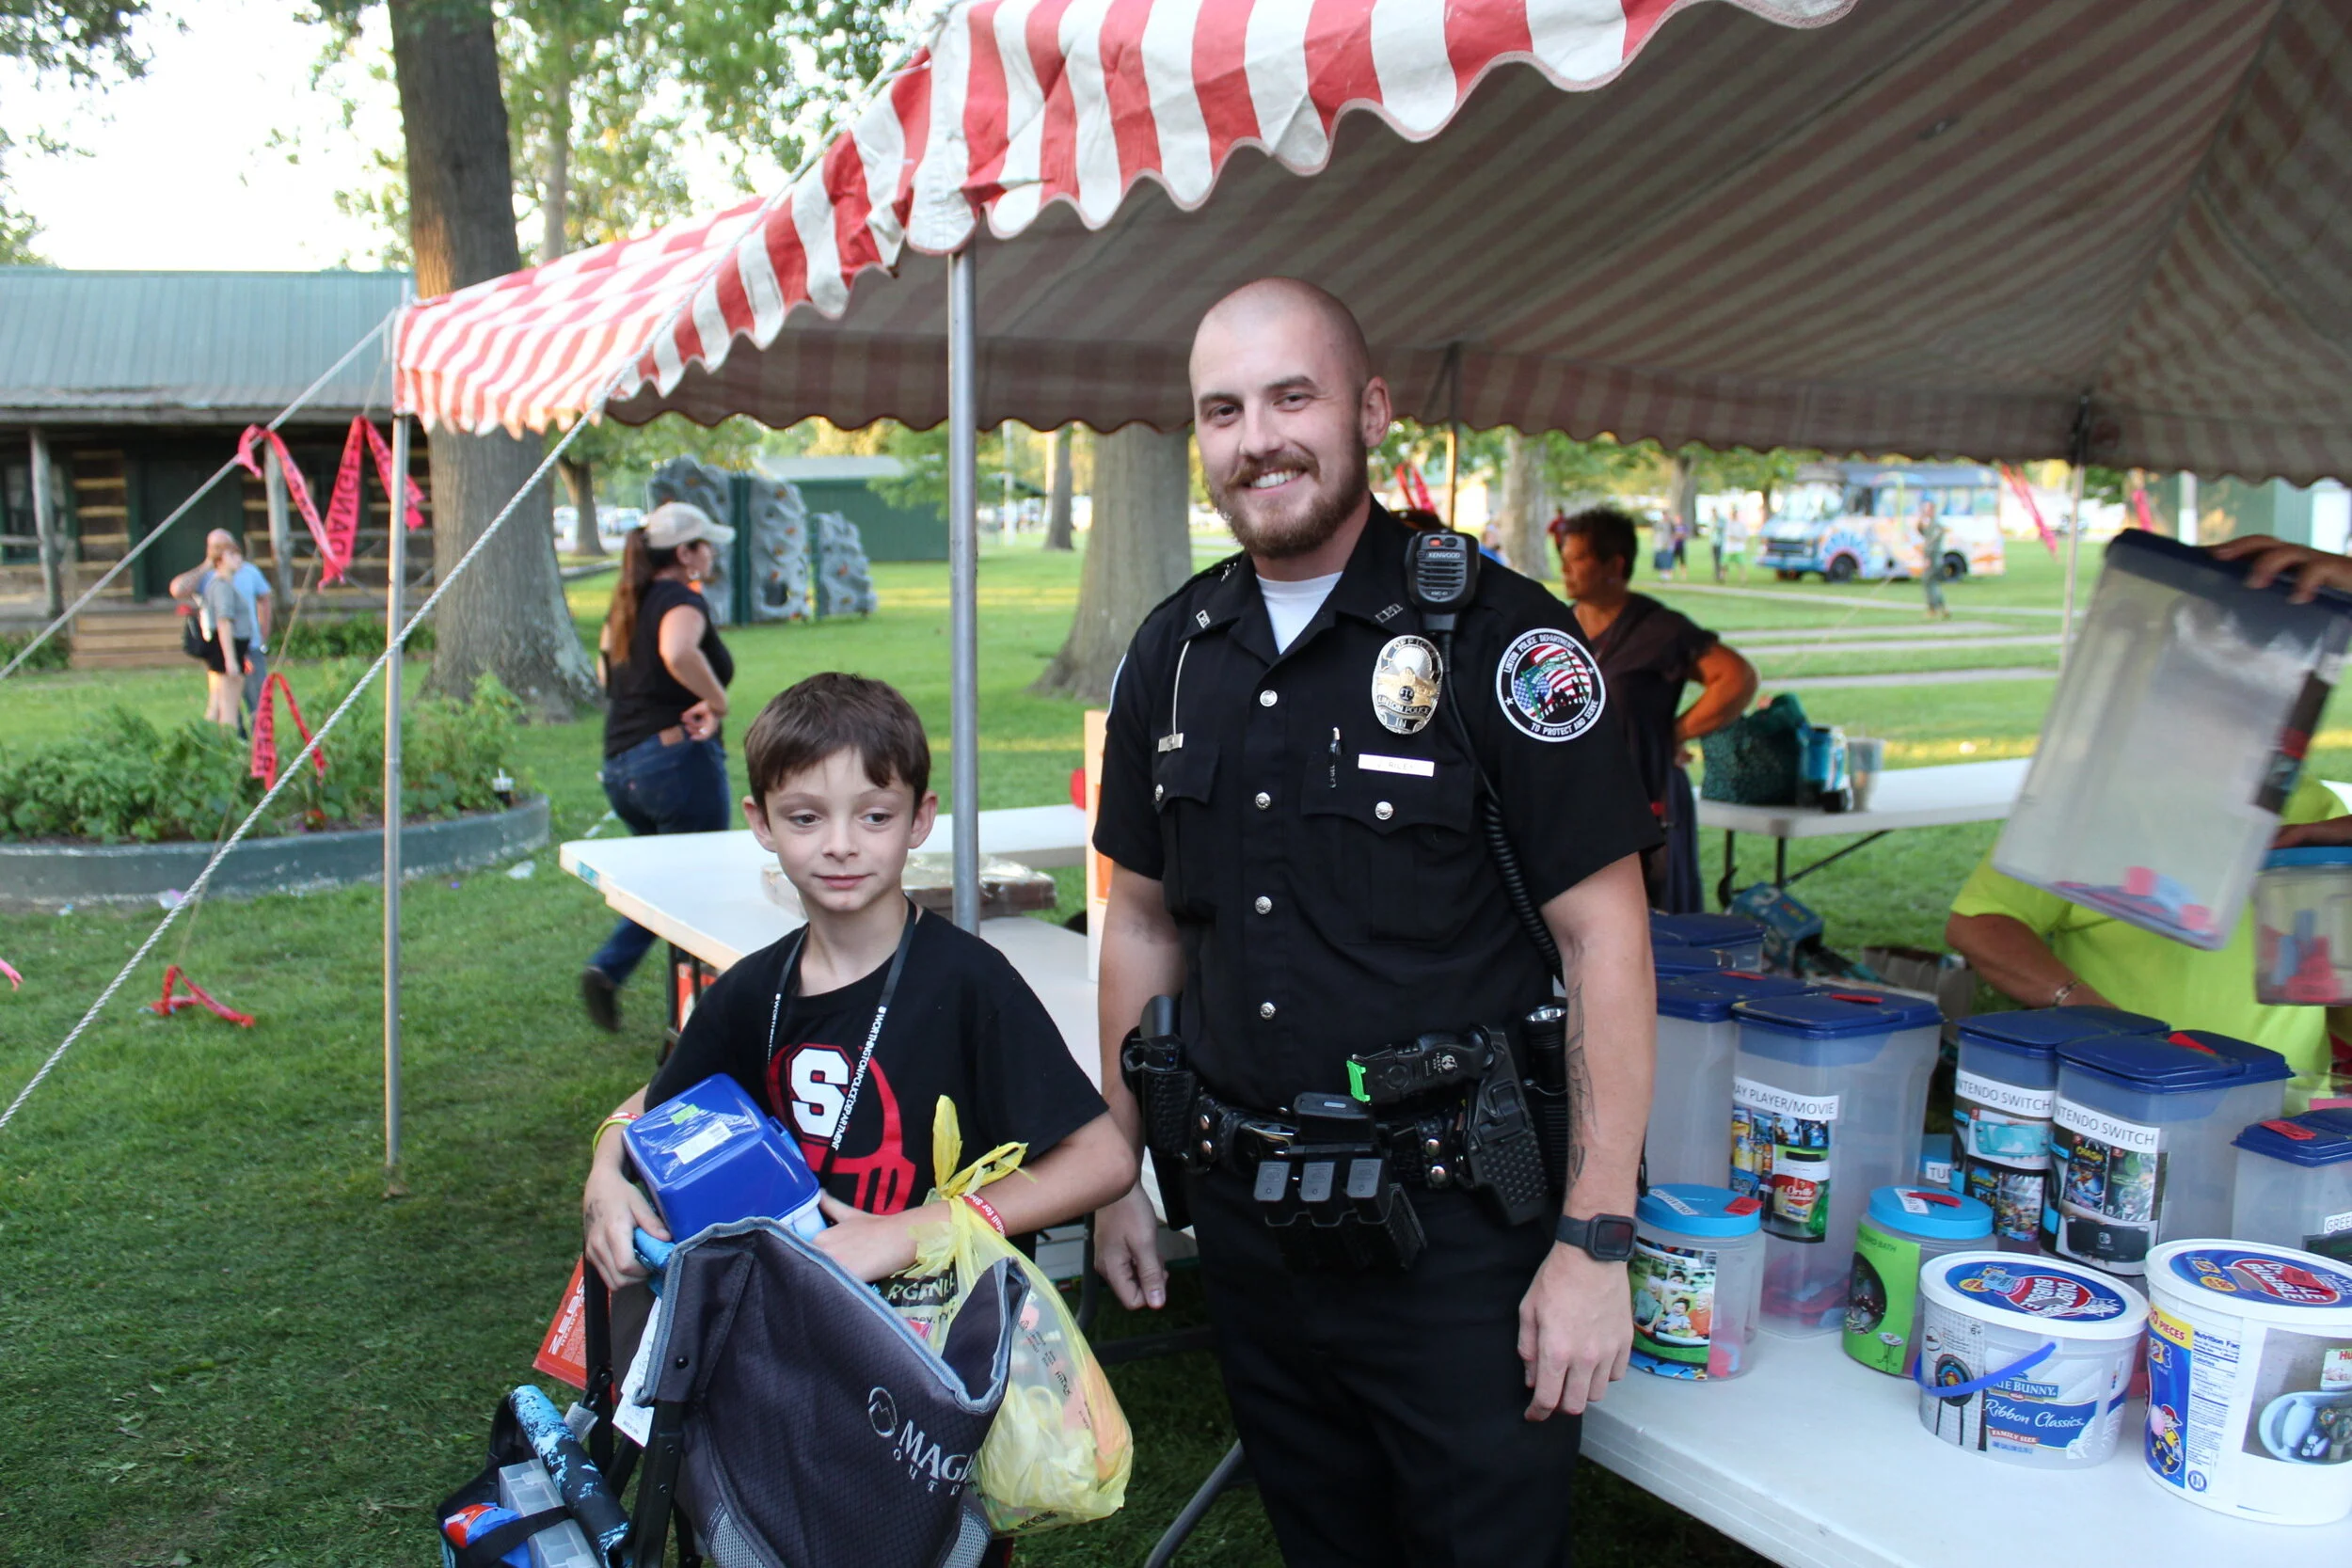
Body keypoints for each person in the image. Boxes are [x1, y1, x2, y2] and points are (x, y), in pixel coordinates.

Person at [1089, 277, 1661, 1567]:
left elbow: (1606, 940)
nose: (1258, 440)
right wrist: (1119, 1166)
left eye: (1292, 397)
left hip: (1459, 1241)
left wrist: (1594, 1241)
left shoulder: (1502, 640)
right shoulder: (1175, 653)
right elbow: (1140, 922)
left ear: (1370, 409)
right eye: (1223, 410)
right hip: (1250, 1225)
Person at [580, 673, 1135, 1292]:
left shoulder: (970, 984)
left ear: (919, 819)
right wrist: (605, 1170)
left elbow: (1104, 1159)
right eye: (805, 817)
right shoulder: (750, 991)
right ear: (761, 823)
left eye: (874, 816)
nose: (840, 845)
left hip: (947, 1331)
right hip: (786, 1318)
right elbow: (659, 1103)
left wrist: (916, 1230)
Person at [1944, 767, 2337, 1084]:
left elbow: (2329, 966)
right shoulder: (2085, 805)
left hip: (2288, 1100)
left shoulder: (2311, 803)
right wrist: (2091, 1012)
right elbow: (1980, 924)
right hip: (2126, 1091)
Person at [580, 502, 739, 1033]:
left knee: (671, 885)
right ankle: (702, 1011)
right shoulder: (680, 600)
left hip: (622, 768)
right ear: (685, 553)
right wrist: (716, 701)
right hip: (674, 764)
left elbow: (607, 673)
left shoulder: (628, 601)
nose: (711, 554)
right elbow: (677, 652)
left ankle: (615, 972)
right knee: (699, 883)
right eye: (705, 545)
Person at [1553, 506, 1758, 913]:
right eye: (1564, 557)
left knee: (1650, 921)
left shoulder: (1658, 629)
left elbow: (1736, 678)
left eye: (1578, 558)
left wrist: (1675, 732)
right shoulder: (1557, 626)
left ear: (1615, 564)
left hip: (1645, 800)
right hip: (1572, 804)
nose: (1565, 569)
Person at [169, 528, 274, 728]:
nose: (234, 555)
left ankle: (256, 742)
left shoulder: (249, 572)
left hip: (248, 646)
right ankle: (228, 740)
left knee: (255, 702)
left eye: (231, 549)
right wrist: (231, 660)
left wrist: (263, 633)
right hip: (226, 649)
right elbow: (223, 622)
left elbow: (265, 599)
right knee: (225, 708)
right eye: (219, 548)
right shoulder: (217, 583)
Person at [1917, 498, 1949, 620]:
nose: (1926, 512)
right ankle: (1943, 608)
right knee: (1933, 583)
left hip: (1933, 559)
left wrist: (1928, 559)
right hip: (1933, 558)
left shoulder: (1936, 525)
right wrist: (1921, 520)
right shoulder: (1931, 524)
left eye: (1927, 509)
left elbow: (1932, 544)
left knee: (1928, 582)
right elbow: (1924, 533)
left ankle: (1933, 609)